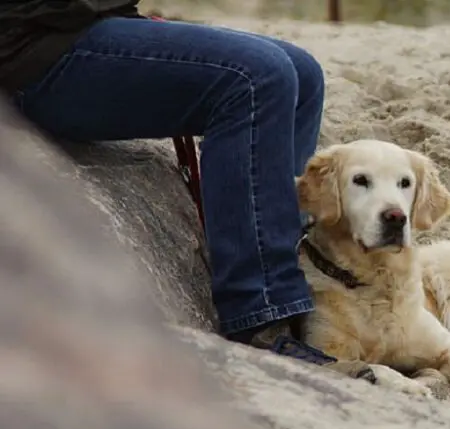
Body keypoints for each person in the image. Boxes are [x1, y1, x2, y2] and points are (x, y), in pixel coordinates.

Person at [1, 0, 337, 365]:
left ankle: (296, 286)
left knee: (303, 74)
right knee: (257, 76)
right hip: (31, 50)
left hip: (82, 23)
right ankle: (263, 315)